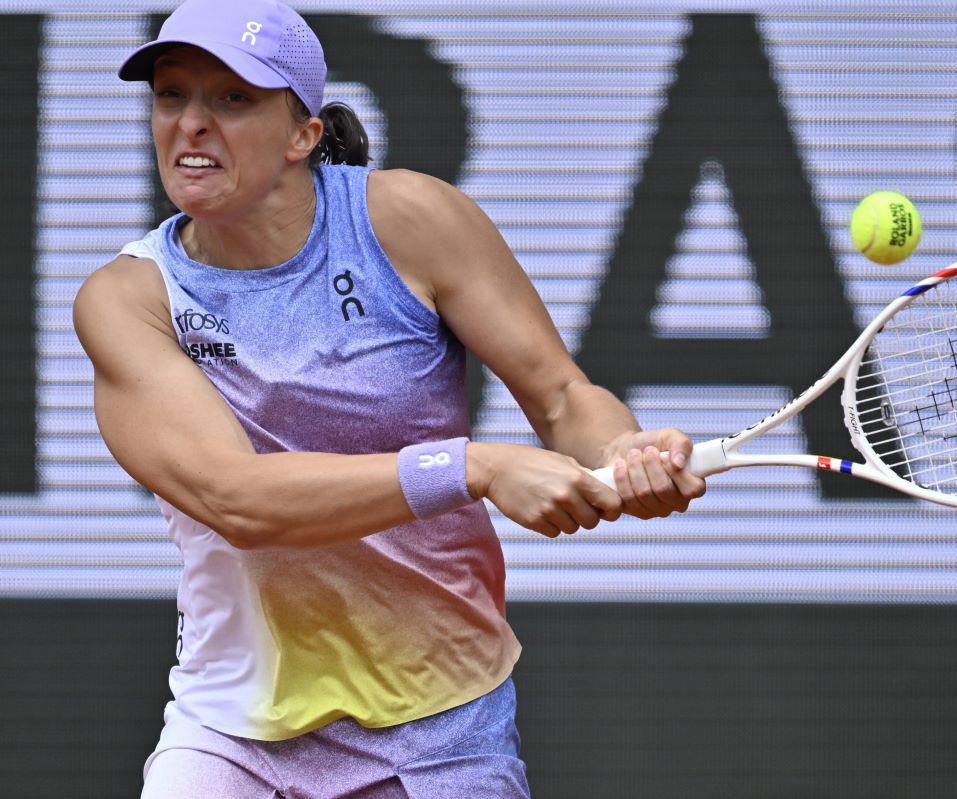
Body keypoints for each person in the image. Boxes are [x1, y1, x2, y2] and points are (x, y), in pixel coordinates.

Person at [72, 1, 706, 796]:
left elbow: (564, 396)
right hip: (232, 729)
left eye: (232, 98)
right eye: (172, 95)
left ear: (303, 135)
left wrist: (621, 449)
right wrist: (473, 467)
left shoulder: (411, 220)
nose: (191, 123)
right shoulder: (129, 300)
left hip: (440, 726)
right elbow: (237, 499)